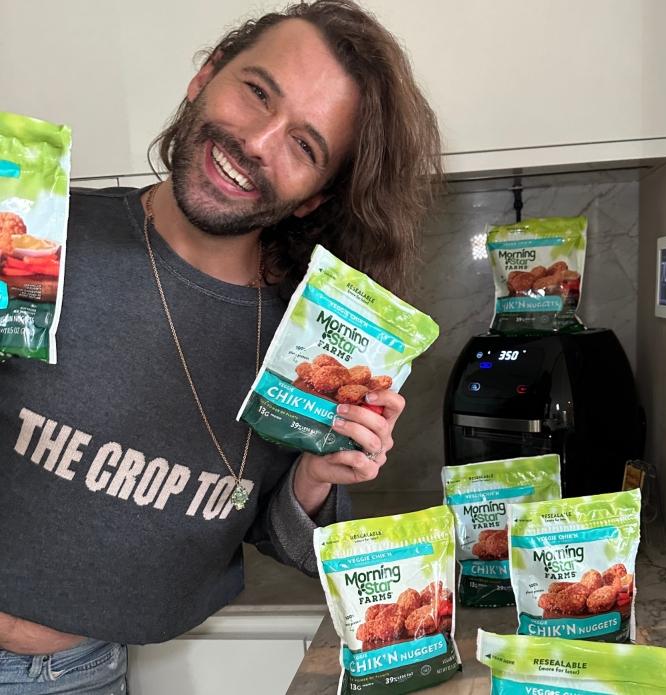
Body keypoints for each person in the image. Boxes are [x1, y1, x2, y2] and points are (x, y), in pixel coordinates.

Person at [0, 1, 442, 692]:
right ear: (205, 77)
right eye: (257, 92)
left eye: (305, 145)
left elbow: (275, 530)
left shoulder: (308, 344)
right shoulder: (42, 236)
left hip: (81, 674)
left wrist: (318, 477)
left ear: (313, 199)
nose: (260, 141)